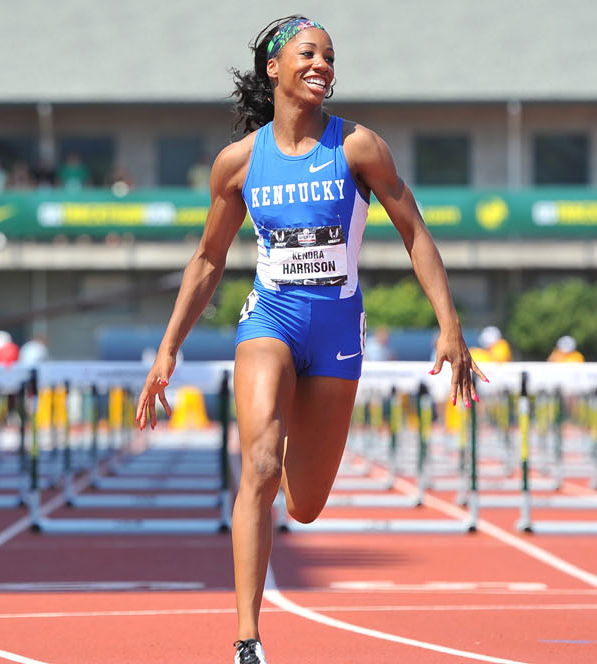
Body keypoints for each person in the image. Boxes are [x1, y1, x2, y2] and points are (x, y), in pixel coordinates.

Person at [134, 16, 485, 664]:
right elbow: (208, 259)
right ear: (274, 68)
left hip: (336, 334)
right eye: (307, 53)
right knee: (258, 465)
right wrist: (168, 347)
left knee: (306, 504)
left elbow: (414, 232)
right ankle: (246, 636)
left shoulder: (357, 148)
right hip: (270, 318)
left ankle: (288, 451)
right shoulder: (239, 163)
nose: (321, 64)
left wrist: (450, 326)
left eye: (328, 55)